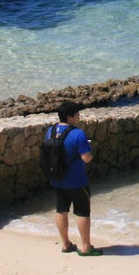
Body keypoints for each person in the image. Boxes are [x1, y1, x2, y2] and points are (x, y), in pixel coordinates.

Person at [47, 101, 102, 256]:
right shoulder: (78, 134)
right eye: (77, 114)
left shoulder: (50, 131)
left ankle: (65, 244)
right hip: (77, 181)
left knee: (61, 211)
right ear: (70, 116)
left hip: (57, 179)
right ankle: (85, 247)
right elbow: (86, 158)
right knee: (83, 213)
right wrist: (89, 149)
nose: (79, 116)